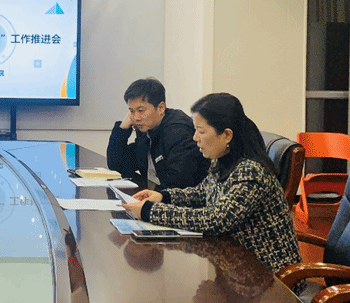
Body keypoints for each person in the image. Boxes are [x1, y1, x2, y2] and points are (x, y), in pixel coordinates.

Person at [121, 92, 303, 275]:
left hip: (270, 276)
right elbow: (202, 193)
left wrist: (150, 211)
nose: (195, 138)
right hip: (235, 264)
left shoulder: (250, 171)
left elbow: (216, 220)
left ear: (227, 135)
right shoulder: (223, 159)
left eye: (201, 131)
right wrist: (163, 196)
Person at [107, 77, 208, 189]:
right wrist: (122, 129)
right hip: (158, 194)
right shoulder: (147, 128)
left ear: (161, 108)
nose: (136, 117)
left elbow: (178, 185)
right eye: (132, 111)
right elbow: (117, 164)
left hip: (184, 198)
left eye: (141, 111)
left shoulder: (178, 132)